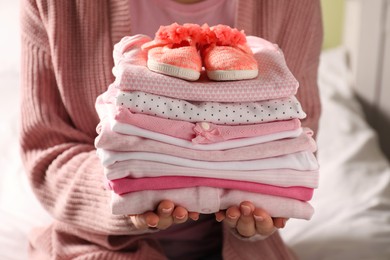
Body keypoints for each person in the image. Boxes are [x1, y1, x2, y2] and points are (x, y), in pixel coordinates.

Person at [19, 0, 323, 259]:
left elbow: (295, 134)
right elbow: (46, 148)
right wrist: (123, 190)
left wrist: (264, 202)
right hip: (98, 244)